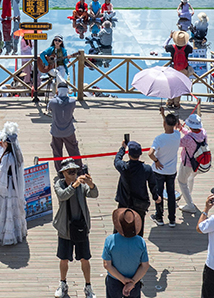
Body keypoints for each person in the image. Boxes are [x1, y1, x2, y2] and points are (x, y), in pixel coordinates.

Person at [54, 159, 98, 298]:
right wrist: (74, 185)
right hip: (65, 228)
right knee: (63, 259)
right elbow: (62, 196)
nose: (73, 174)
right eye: (70, 171)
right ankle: (63, 283)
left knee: (85, 258)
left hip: (80, 227)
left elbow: (94, 194)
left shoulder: (81, 185)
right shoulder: (59, 184)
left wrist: (91, 185)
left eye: (75, 171)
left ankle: (88, 286)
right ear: (63, 173)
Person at [0, 122, 26, 246]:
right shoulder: (17, 155)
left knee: (5, 210)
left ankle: (5, 236)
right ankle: (17, 232)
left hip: (7, 186)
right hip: (15, 187)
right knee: (14, 210)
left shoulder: (7, 157)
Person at [102, 208, 149, 298]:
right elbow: (145, 265)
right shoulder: (140, 242)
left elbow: (107, 265)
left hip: (114, 281)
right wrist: (132, 282)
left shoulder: (110, 240)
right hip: (134, 282)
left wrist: (123, 280)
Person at [148, 112, 181, 227]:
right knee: (171, 194)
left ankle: (159, 217)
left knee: (159, 194)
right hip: (171, 171)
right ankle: (172, 219)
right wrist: (164, 115)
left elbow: (150, 153)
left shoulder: (159, 139)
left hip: (159, 171)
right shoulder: (177, 135)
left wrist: (156, 161)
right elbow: (170, 126)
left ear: (164, 124)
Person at [114, 137, 152, 235]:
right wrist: (156, 197)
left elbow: (117, 160)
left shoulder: (123, 167)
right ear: (140, 154)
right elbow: (153, 184)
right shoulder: (146, 169)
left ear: (128, 154)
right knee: (138, 229)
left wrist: (122, 148)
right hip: (140, 204)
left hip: (124, 202)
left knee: (119, 228)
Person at [177, 104, 207, 212]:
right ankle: (188, 195)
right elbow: (191, 134)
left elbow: (177, 143)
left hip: (188, 163)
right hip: (199, 162)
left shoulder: (188, 138)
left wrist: (175, 131)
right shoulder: (203, 133)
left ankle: (189, 204)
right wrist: (181, 128)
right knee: (190, 178)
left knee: (181, 181)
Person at [49, 85, 82, 171]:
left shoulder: (53, 102)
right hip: (69, 131)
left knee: (57, 152)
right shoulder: (72, 102)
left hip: (56, 131)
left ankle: (60, 171)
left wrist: (56, 96)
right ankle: (79, 168)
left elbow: (49, 109)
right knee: (74, 150)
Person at [165, 29, 194, 109]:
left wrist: (169, 37)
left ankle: (170, 102)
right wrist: (186, 41)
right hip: (183, 70)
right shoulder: (187, 47)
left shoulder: (172, 47)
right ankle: (176, 103)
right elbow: (192, 48)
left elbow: (164, 46)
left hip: (173, 69)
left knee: (171, 85)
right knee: (179, 86)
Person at [38, 35, 69, 103]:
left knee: (59, 76)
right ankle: (64, 89)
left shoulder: (63, 50)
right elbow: (41, 54)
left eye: (59, 41)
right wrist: (46, 63)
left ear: (61, 42)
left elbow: (65, 62)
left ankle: (57, 95)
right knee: (57, 74)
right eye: (56, 40)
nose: (57, 42)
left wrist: (67, 58)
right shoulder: (50, 49)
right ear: (53, 41)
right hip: (51, 67)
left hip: (61, 67)